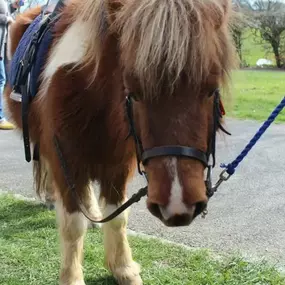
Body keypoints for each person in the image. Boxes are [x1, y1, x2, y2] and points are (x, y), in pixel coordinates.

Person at [0, 0, 22, 130]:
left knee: (4, 79)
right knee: (1, 80)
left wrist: (13, 7)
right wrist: (7, 18)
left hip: (3, 48)